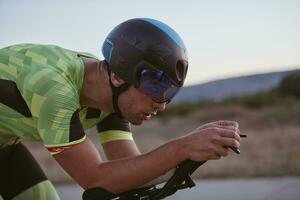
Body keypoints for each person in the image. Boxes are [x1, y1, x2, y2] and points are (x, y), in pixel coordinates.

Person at [0, 18, 241, 200]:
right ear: (118, 77)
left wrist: (190, 155)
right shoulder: (54, 89)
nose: (162, 104)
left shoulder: (109, 95)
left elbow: (128, 170)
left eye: (170, 94)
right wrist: (183, 146)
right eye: (156, 89)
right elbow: (95, 179)